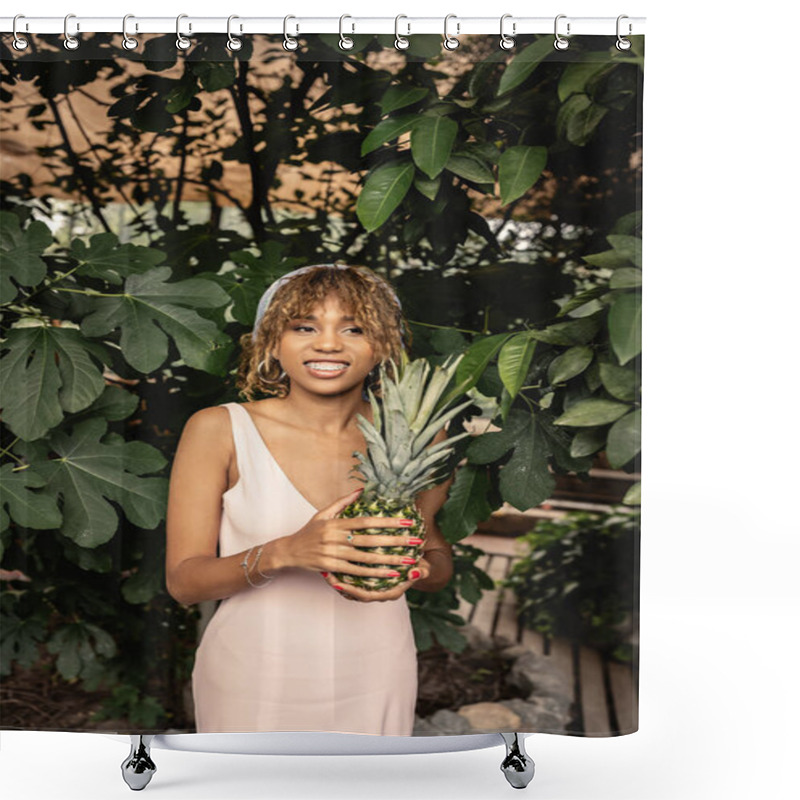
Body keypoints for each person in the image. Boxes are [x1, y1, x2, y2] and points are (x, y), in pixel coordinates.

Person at [165, 264, 455, 735]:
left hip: (378, 669)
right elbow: (184, 582)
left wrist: (416, 569)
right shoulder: (219, 428)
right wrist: (286, 552)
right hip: (252, 672)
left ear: (382, 345)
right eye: (304, 327)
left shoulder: (413, 437)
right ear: (272, 341)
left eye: (354, 328)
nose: (327, 344)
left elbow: (435, 555)